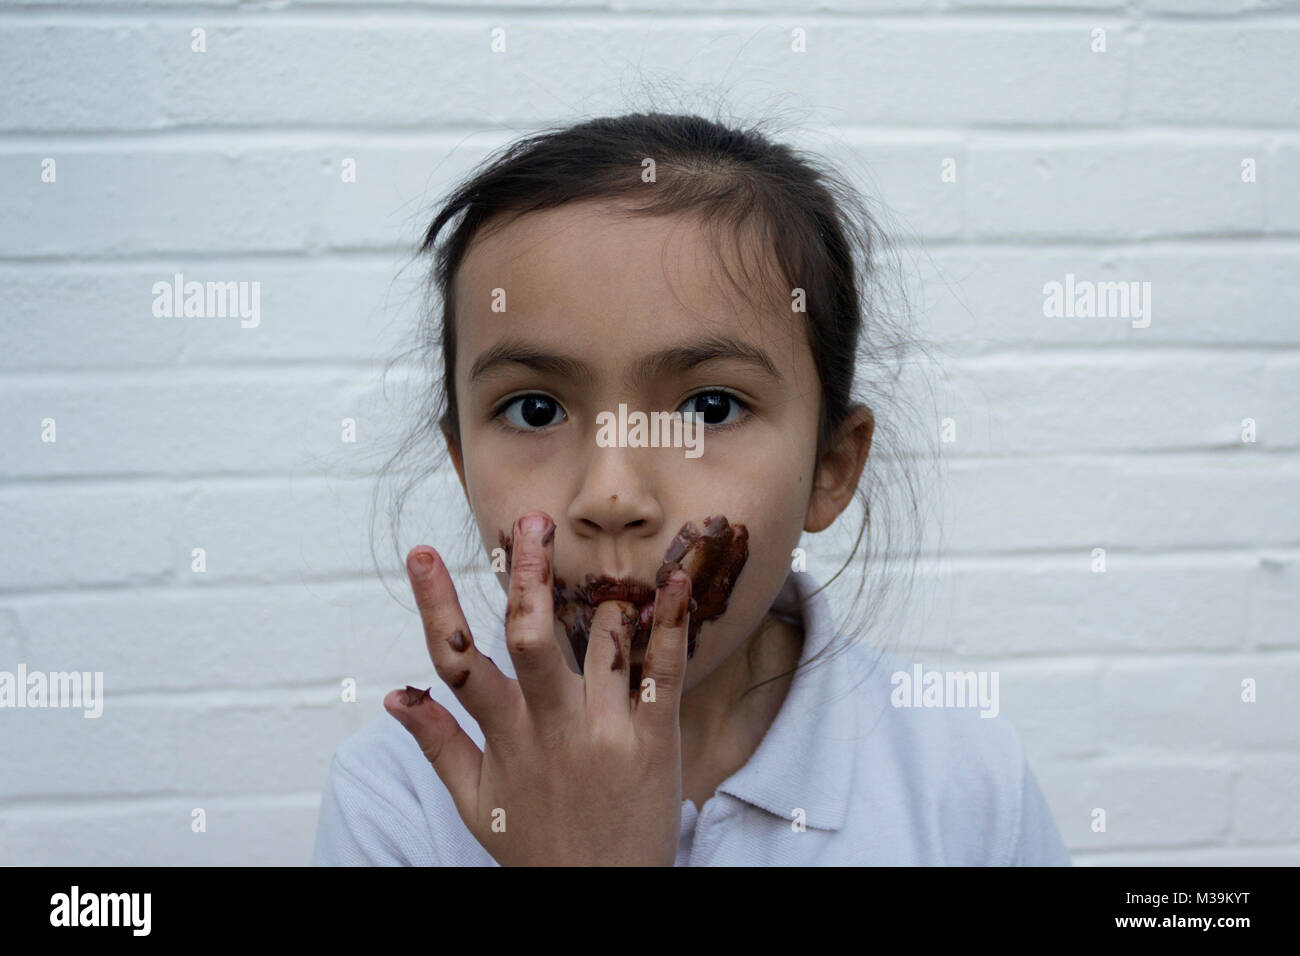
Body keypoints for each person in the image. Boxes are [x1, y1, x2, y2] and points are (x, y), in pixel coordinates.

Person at [312, 112, 1071, 866]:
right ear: (462, 462)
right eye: (534, 410)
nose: (611, 495)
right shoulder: (401, 795)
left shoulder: (962, 781)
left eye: (709, 408)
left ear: (831, 467)